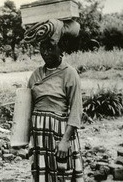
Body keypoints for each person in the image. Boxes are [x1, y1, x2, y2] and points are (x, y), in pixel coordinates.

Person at [24, 19, 84, 182]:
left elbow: (76, 110)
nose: (46, 52)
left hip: (60, 134)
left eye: (51, 47)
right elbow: (27, 110)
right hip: (39, 136)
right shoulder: (36, 75)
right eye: (43, 48)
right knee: (43, 175)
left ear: (61, 48)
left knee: (62, 175)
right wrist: (27, 140)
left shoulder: (69, 74)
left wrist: (65, 141)